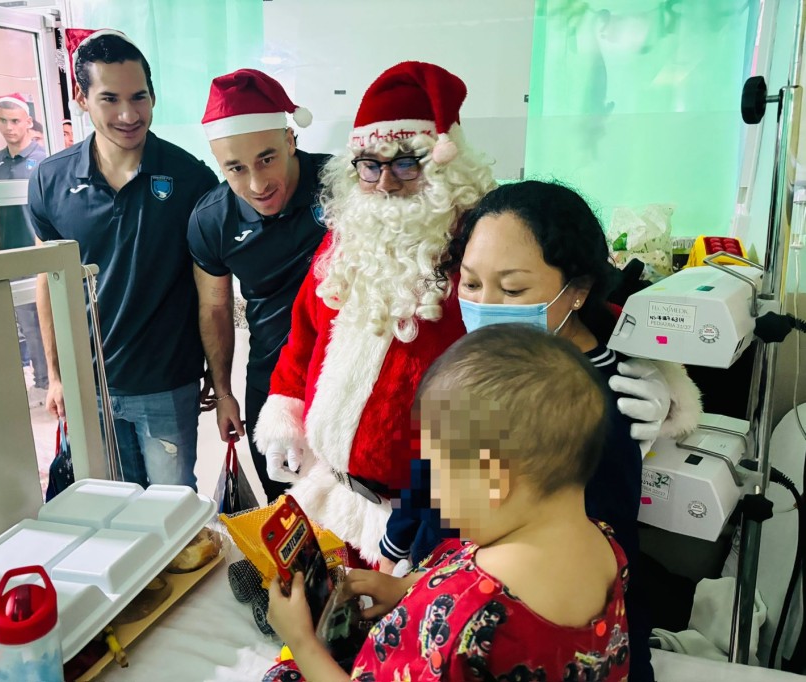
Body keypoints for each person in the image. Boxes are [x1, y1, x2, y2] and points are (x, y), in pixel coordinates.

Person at [253, 61, 696, 567]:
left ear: (444, 162)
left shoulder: (480, 235)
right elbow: (305, 334)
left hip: (445, 522)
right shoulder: (346, 242)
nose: (385, 183)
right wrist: (286, 406)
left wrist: (655, 374)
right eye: (369, 166)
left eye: (406, 163)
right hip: (334, 498)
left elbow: (561, 304)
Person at [387, 180, 673, 681]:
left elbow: (573, 577)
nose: (484, 304)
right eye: (471, 284)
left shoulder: (592, 406)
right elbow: (431, 468)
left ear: (578, 290)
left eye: (513, 289)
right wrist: (402, 559)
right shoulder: (484, 362)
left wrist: (438, 604)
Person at [265, 324, 632, 681]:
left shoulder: (458, 612)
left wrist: (302, 643)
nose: (432, 494)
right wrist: (408, 587)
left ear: (491, 480)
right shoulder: (604, 546)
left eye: (435, 471)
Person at [27, 30, 218, 488]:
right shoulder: (51, 180)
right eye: (110, 98)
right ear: (81, 97)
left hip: (166, 382)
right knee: (111, 509)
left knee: (174, 516)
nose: (129, 115)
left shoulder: (190, 178)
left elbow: (212, 289)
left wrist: (219, 375)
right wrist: (56, 375)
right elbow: (48, 284)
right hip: (86, 384)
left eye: (139, 97)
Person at [188, 68, 327, 502]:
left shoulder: (341, 185)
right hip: (273, 380)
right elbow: (213, 308)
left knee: (353, 509)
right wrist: (225, 392)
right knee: (285, 508)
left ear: (290, 140)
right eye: (236, 168)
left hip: (344, 371)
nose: (257, 184)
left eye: (267, 159)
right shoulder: (211, 220)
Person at [0, 92, 49, 405]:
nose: (9, 127)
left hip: (38, 251)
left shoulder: (43, 159)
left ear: (28, 122)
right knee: (28, 325)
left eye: (15, 121)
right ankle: (41, 381)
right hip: (10, 255)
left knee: (49, 318)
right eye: (3, 121)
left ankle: (56, 379)